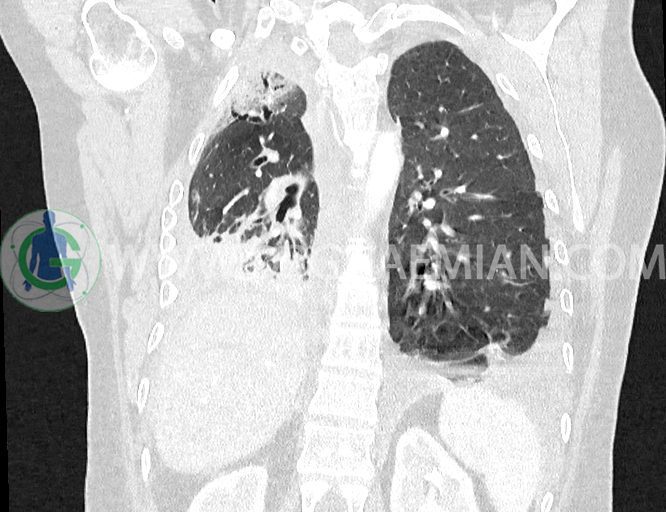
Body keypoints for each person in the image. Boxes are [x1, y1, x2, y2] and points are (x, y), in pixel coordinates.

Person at [23, 210, 75, 292]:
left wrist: (68, 278)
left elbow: (64, 259)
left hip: (52, 274)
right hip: (45, 274)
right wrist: (29, 279)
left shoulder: (59, 238)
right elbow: (33, 259)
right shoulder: (38, 238)